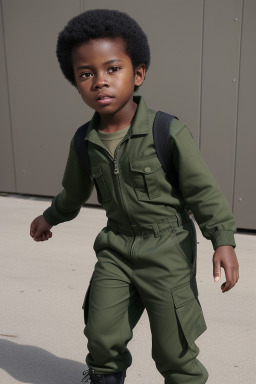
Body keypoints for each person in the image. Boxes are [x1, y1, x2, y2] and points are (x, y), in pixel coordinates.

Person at [30, 9, 239, 384]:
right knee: (101, 334)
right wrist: (50, 217)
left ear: (137, 73)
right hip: (116, 248)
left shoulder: (167, 131)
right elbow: (73, 193)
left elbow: (203, 191)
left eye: (112, 69)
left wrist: (222, 240)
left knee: (174, 348)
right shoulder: (84, 141)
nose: (100, 82)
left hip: (167, 250)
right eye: (86, 74)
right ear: (76, 83)